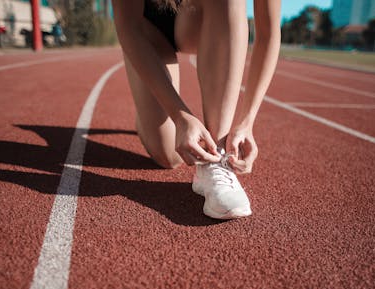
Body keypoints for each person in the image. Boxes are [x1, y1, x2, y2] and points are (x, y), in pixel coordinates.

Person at [112, 0, 281, 219]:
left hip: (199, 18)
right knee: (169, 156)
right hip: (148, 26)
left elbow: (268, 33)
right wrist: (180, 116)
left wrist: (247, 121)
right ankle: (145, 118)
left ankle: (217, 156)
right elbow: (128, 26)